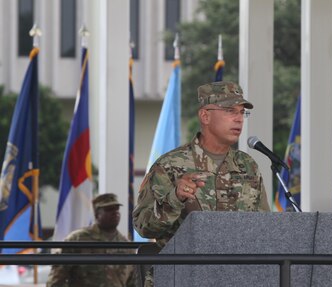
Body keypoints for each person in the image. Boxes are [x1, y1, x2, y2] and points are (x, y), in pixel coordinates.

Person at [133, 81, 270, 246]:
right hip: (185, 269)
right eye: (230, 111)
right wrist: (175, 198)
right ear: (205, 116)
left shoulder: (248, 165)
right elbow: (143, 227)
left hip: (237, 269)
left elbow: (263, 226)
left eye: (242, 113)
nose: (239, 119)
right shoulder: (169, 166)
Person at [46, 193, 136, 287]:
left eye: (117, 208)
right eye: (109, 209)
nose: (115, 212)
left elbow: (133, 281)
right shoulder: (77, 240)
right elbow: (56, 280)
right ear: (97, 214)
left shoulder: (126, 246)